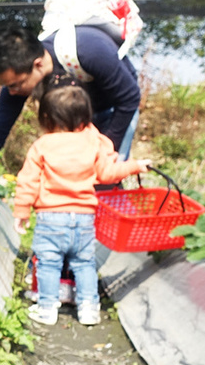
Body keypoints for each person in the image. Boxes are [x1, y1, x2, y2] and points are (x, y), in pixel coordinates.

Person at [0, 24, 141, 199]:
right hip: (77, 118)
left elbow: (130, 98)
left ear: (37, 64)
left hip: (115, 106)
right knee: (71, 181)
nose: (12, 92)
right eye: (6, 86)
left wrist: (99, 151)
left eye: (16, 85)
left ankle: (117, 240)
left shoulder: (88, 50)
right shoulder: (18, 76)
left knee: (102, 178)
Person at [13, 81, 150, 326]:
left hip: (51, 218)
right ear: (85, 118)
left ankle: (47, 308)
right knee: (84, 263)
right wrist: (134, 166)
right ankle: (89, 309)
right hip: (84, 217)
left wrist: (22, 210)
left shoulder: (43, 145)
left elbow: (28, 180)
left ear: (47, 117)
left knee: (48, 262)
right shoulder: (93, 144)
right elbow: (108, 173)